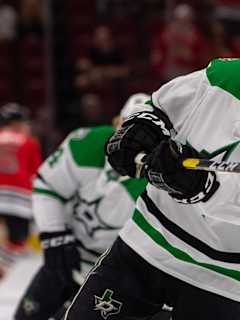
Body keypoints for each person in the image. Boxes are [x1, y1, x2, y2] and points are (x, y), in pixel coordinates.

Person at [64, 19, 240, 320]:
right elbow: (162, 107)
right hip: (146, 244)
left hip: (224, 276)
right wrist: (140, 127)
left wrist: (197, 184)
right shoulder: (226, 76)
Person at [13, 94, 171, 320]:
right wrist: (55, 235)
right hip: (66, 253)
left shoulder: (159, 178)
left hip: (112, 272)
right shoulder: (87, 142)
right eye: (127, 126)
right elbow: (48, 187)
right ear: (116, 122)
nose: (132, 142)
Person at [0, 103, 42, 257]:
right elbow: (36, 173)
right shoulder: (29, 142)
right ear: (16, 123)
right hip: (19, 197)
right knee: (17, 241)